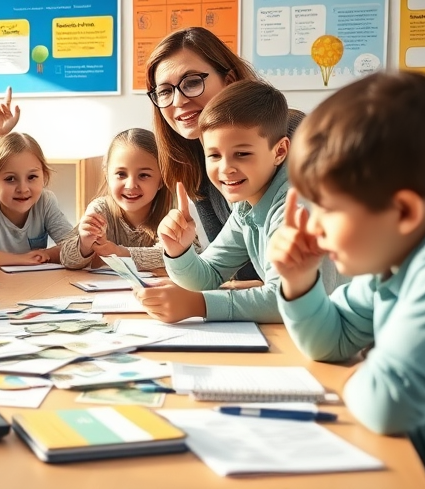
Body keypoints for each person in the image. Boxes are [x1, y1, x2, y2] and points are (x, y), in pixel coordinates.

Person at [268, 70, 425, 489]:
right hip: (415, 460)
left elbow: (388, 405)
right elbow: (332, 340)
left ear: (404, 212)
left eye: (328, 209)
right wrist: (301, 281)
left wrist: (356, 376)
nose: (314, 225)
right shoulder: (403, 251)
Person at [144, 80, 340, 323]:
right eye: (214, 155)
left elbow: (294, 299)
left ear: (279, 151)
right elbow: (208, 275)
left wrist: (200, 305)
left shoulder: (296, 208)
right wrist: (179, 251)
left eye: (242, 154)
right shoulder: (246, 206)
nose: (226, 168)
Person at [145, 27, 303, 284]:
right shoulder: (201, 164)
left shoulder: (290, 138)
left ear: (229, 81)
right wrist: (180, 255)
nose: (178, 101)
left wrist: (212, 298)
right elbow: (224, 269)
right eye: (164, 91)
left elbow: (284, 283)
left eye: (192, 82)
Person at [61, 129, 171, 271]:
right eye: (121, 174)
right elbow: (66, 258)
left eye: (143, 175)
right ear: (107, 175)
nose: (130, 185)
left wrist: (120, 253)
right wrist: (84, 245)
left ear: (162, 179)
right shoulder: (100, 209)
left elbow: (186, 255)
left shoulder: (171, 212)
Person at [0, 132, 73, 265]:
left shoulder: (45, 201)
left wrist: (47, 254)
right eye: (10, 179)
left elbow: (74, 247)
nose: (23, 189)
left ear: (44, 176)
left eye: (32, 177)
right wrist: (23, 259)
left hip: (35, 278)